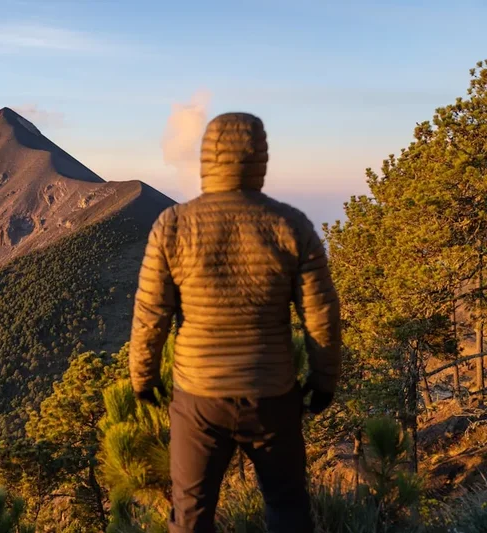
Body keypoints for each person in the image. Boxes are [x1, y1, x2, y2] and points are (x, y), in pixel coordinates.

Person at [129, 112, 341, 532]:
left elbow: (151, 312)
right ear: (260, 159)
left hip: (199, 398)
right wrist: (323, 379)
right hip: (273, 394)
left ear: (207, 159)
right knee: (287, 507)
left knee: (190, 514)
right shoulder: (290, 224)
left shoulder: (173, 225)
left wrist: (143, 376)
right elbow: (321, 314)